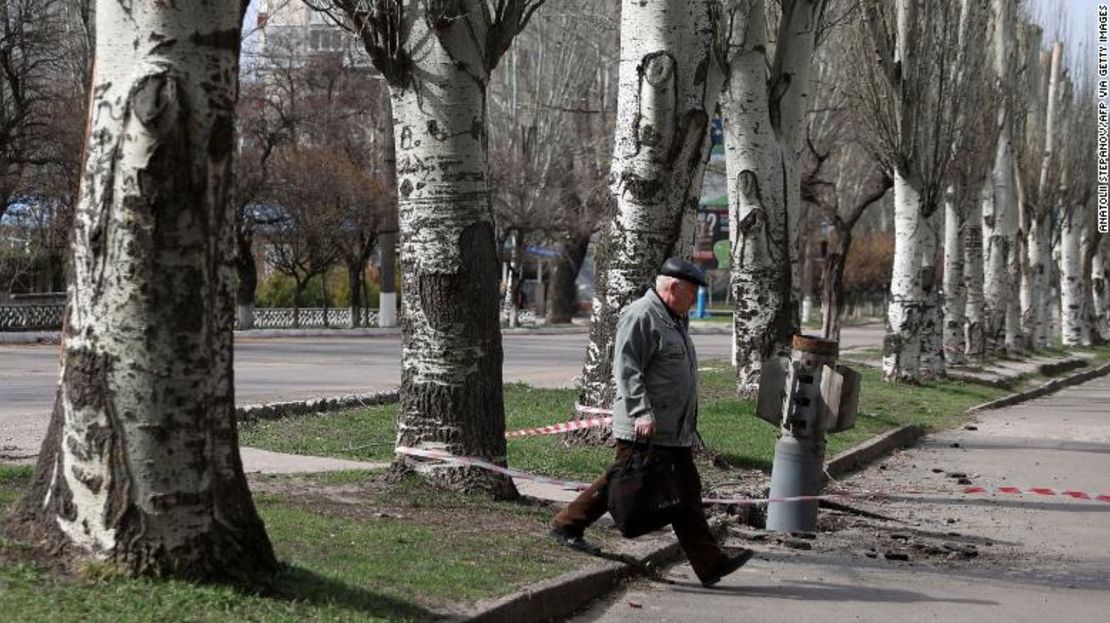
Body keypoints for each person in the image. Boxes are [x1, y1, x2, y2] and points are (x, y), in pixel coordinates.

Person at [550, 257, 753, 587]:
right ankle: (566, 524)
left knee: (686, 492)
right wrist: (641, 412)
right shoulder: (643, 315)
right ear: (673, 288)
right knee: (621, 482)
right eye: (691, 294)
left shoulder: (672, 318)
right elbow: (627, 369)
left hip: (673, 431)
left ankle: (710, 563)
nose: (693, 301)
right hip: (646, 426)